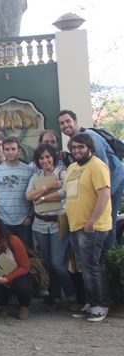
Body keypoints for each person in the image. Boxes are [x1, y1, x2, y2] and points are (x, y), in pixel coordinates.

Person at [58, 109, 124, 251]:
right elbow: (83, 164)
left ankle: (109, 260)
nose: (65, 125)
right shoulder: (76, 140)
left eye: (68, 121)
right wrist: (68, 156)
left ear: (76, 122)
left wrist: (104, 193)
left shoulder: (90, 136)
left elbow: (102, 165)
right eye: (61, 123)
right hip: (104, 182)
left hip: (113, 180)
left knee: (108, 221)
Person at [64, 133, 112, 322]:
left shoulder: (97, 166)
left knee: (91, 267)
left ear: (89, 148)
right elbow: (67, 192)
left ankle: (98, 306)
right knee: (84, 267)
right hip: (76, 226)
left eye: (81, 147)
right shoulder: (72, 168)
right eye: (74, 147)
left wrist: (91, 222)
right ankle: (90, 303)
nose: (77, 150)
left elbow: (104, 196)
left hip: (92, 227)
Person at [25, 144, 75, 308]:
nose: (45, 160)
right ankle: (55, 296)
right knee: (47, 262)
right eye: (41, 158)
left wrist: (44, 198)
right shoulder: (36, 177)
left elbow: (66, 192)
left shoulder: (62, 173)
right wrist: (48, 187)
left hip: (58, 224)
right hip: (39, 225)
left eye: (48, 157)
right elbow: (29, 196)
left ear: (53, 157)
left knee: (57, 263)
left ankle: (70, 293)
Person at [0, 136, 33, 248]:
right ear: (3, 150)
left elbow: (33, 197)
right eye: (7, 149)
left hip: (24, 223)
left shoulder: (28, 170)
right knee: (6, 256)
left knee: (26, 254)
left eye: (13, 149)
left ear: (19, 150)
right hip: (4, 222)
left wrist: (30, 217)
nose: (10, 152)